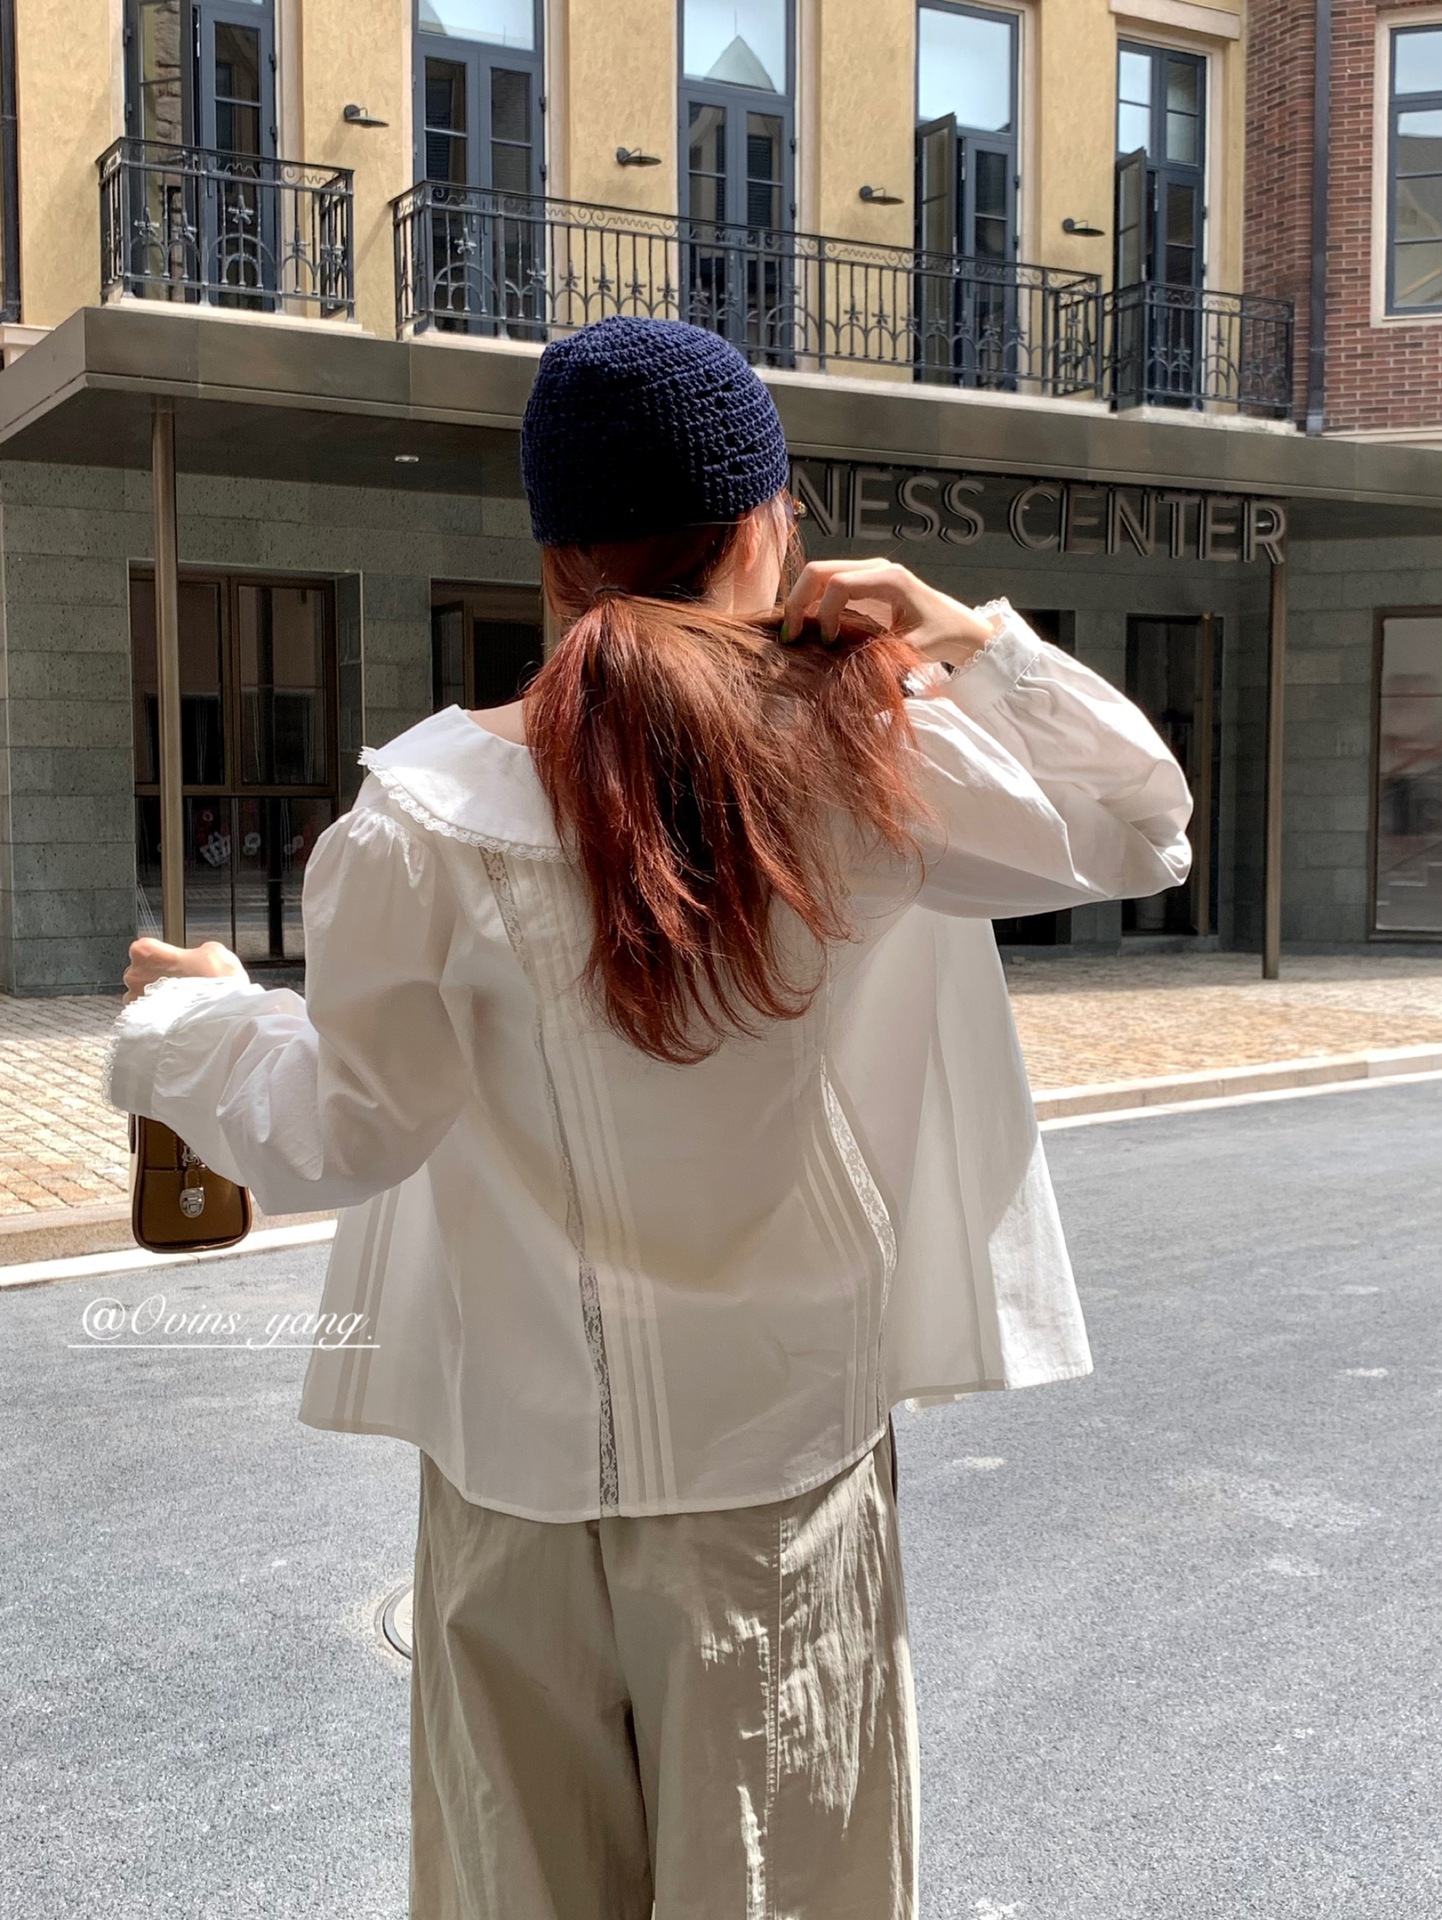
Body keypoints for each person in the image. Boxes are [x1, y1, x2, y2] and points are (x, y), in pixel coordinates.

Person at [110, 316, 1192, 1920]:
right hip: (779, 1470)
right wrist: (960, 631)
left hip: (511, 1472)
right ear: (767, 523)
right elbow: (1140, 825)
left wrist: (198, 1020)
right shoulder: (861, 757)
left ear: (552, 556)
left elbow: (341, 1133)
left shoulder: (426, 808)